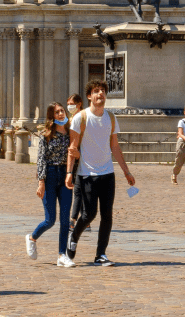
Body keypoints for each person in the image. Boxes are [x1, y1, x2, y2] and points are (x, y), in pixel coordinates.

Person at [64, 80, 136, 268]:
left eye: (103, 91)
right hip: (87, 174)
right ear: (89, 96)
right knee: (88, 215)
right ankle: (73, 236)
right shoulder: (81, 117)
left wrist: (126, 172)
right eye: (96, 91)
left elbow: (115, 147)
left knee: (107, 215)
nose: (100, 94)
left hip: (107, 173)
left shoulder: (111, 118)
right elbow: (72, 147)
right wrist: (69, 172)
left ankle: (100, 254)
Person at [27, 102, 72, 266]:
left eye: (62, 111)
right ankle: (32, 237)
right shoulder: (47, 135)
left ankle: (62, 255)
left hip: (66, 176)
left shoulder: (70, 133)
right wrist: (41, 182)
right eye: (57, 112)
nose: (61, 114)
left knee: (65, 220)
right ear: (52, 116)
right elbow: (41, 159)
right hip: (50, 176)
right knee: (50, 219)